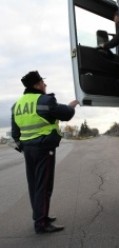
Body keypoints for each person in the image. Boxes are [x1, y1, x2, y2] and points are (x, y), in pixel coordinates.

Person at [11, 71, 79, 234]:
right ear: (36, 85)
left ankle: (41, 216)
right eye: (43, 82)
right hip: (43, 149)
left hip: (29, 150)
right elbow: (66, 114)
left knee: (34, 184)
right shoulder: (44, 100)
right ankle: (41, 223)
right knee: (44, 185)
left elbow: (15, 133)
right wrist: (72, 105)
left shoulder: (17, 105)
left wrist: (24, 147)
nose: (45, 85)